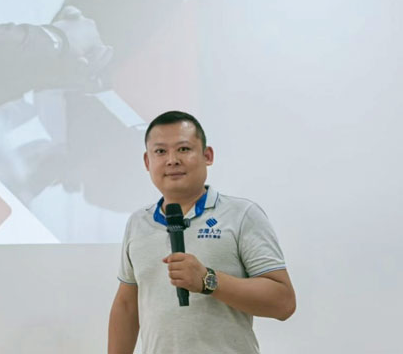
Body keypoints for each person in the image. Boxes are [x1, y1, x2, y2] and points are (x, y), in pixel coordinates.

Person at [108, 111, 296, 354]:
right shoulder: (137, 223)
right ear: (147, 161)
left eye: (184, 149)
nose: (172, 160)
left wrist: (208, 280)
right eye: (160, 151)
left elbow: (283, 303)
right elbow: (126, 305)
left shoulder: (242, 215)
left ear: (207, 155)